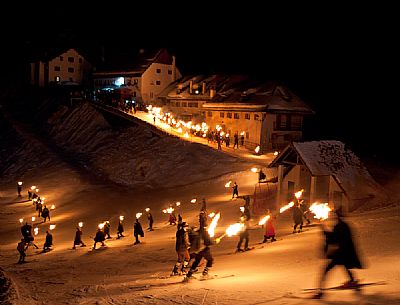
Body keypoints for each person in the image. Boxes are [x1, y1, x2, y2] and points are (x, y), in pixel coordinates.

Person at [312, 207, 364, 299]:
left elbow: (334, 238)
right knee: (345, 267)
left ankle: (320, 291)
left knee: (326, 270)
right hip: (344, 252)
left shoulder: (340, 226)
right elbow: (335, 237)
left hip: (341, 253)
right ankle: (352, 281)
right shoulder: (344, 225)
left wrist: (323, 230)